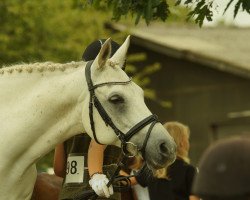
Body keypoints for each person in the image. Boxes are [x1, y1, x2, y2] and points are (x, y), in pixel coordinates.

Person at [54, 39, 124, 200]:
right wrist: (96, 174)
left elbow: (59, 169)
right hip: (99, 195)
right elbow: (96, 147)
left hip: (68, 194)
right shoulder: (109, 110)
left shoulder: (69, 114)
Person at [135, 121, 200, 200]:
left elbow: (126, 182)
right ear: (182, 142)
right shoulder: (189, 170)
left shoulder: (150, 168)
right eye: (187, 139)